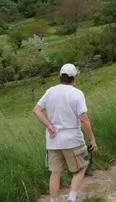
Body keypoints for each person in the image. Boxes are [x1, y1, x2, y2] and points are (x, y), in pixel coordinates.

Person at [32, 63, 97, 202]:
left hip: (53, 140)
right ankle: (71, 198)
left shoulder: (50, 91)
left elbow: (36, 110)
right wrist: (92, 140)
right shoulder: (77, 93)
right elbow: (84, 119)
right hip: (73, 139)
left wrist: (48, 125)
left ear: (60, 77)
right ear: (74, 78)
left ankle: (53, 200)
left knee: (55, 173)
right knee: (82, 167)